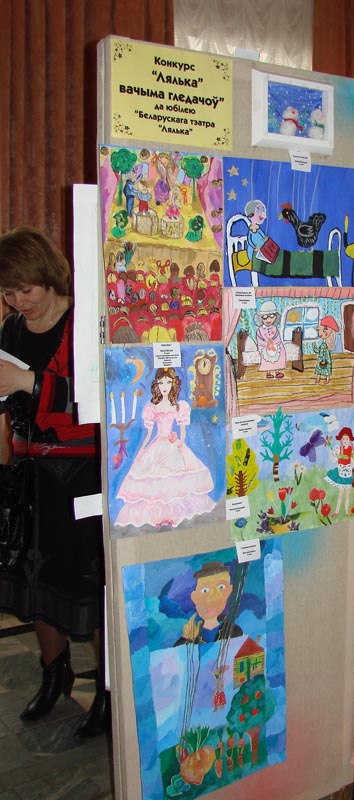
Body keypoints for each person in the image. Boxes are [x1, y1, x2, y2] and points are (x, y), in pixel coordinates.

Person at [0, 227, 107, 736]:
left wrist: (28, 382)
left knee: (89, 582)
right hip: (31, 474)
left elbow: (100, 396)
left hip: (82, 471)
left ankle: (107, 689)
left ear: (48, 277)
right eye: (8, 292)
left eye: (26, 289)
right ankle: (55, 673)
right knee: (35, 579)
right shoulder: (11, 328)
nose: (19, 302)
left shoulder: (85, 320)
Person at [114, 367, 215, 529]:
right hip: (157, 445)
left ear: (173, 384)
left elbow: (182, 432)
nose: (165, 386)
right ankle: (157, 517)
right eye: (161, 383)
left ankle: (173, 516)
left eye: (168, 382)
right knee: (155, 483)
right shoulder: (153, 407)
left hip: (173, 445)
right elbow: (149, 434)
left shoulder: (178, 406)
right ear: (157, 385)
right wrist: (141, 451)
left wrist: (178, 444)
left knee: (174, 482)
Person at [174, 561, 242, 646]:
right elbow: (177, 653)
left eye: (221, 587)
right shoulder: (191, 633)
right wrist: (187, 639)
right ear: (195, 597)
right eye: (205, 590)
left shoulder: (233, 631)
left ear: (229, 591)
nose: (213, 597)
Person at [253, 300, 286, 380]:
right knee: (265, 354)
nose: (268, 320)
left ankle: (277, 371)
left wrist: (275, 344)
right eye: (265, 317)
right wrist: (266, 344)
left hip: (275, 345)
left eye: (271, 316)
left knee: (280, 351)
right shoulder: (260, 330)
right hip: (264, 346)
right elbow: (259, 340)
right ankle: (268, 372)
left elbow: (277, 338)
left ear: (275, 317)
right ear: (260, 318)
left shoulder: (275, 328)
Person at [312, 315, 338, 384]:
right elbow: (319, 350)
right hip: (321, 359)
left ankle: (326, 379)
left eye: (325, 330)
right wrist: (314, 347)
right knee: (319, 369)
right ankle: (318, 378)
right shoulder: (323, 344)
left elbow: (320, 351)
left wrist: (322, 356)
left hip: (325, 359)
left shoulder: (326, 345)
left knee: (326, 369)